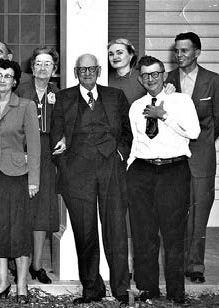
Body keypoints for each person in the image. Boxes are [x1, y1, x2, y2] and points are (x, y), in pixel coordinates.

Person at [50, 54, 131, 305]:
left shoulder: (115, 96)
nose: (87, 73)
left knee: (116, 230)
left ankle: (120, 289)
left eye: (91, 68)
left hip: (110, 169)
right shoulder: (64, 98)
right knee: (84, 233)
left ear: (98, 70)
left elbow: (128, 132)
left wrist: (119, 155)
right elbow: (56, 135)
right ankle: (91, 289)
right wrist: (65, 167)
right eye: (82, 69)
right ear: (76, 72)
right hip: (77, 172)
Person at [127, 55, 200, 306]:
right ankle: (148, 288)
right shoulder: (136, 106)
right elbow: (136, 144)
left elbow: (194, 132)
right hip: (142, 172)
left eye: (155, 74)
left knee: (173, 234)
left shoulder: (181, 101)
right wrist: (129, 171)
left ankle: (176, 292)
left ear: (164, 75)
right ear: (140, 79)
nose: (151, 79)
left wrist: (164, 115)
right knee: (144, 234)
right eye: (145, 75)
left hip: (173, 171)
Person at [165, 32, 219, 284]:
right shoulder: (166, 79)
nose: (179, 55)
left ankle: (195, 266)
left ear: (197, 52)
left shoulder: (214, 81)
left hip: (202, 156)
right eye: (177, 51)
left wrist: (201, 142)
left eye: (184, 50)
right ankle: (174, 263)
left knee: (199, 211)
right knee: (172, 212)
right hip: (172, 156)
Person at [0, 59, 40, 303]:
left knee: (19, 230)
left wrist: (34, 180)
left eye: (7, 76)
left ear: (14, 81)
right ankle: (3, 283)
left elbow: (34, 146)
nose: (2, 79)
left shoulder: (26, 106)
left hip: (17, 176)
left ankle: (22, 285)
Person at [14, 47, 60, 284]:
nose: (43, 68)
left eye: (48, 64)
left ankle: (37, 264)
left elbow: (65, 123)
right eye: (38, 63)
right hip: (22, 150)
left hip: (47, 151)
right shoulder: (21, 91)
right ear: (32, 67)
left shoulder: (58, 93)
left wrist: (63, 139)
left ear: (55, 68)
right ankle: (19, 261)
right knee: (22, 209)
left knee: (42, 208)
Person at [107, 38, 146, 105]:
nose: (115, 57)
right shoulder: (105, 78)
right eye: (111, 54)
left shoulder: (142, 76)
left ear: (131, 55)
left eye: (120, 53)